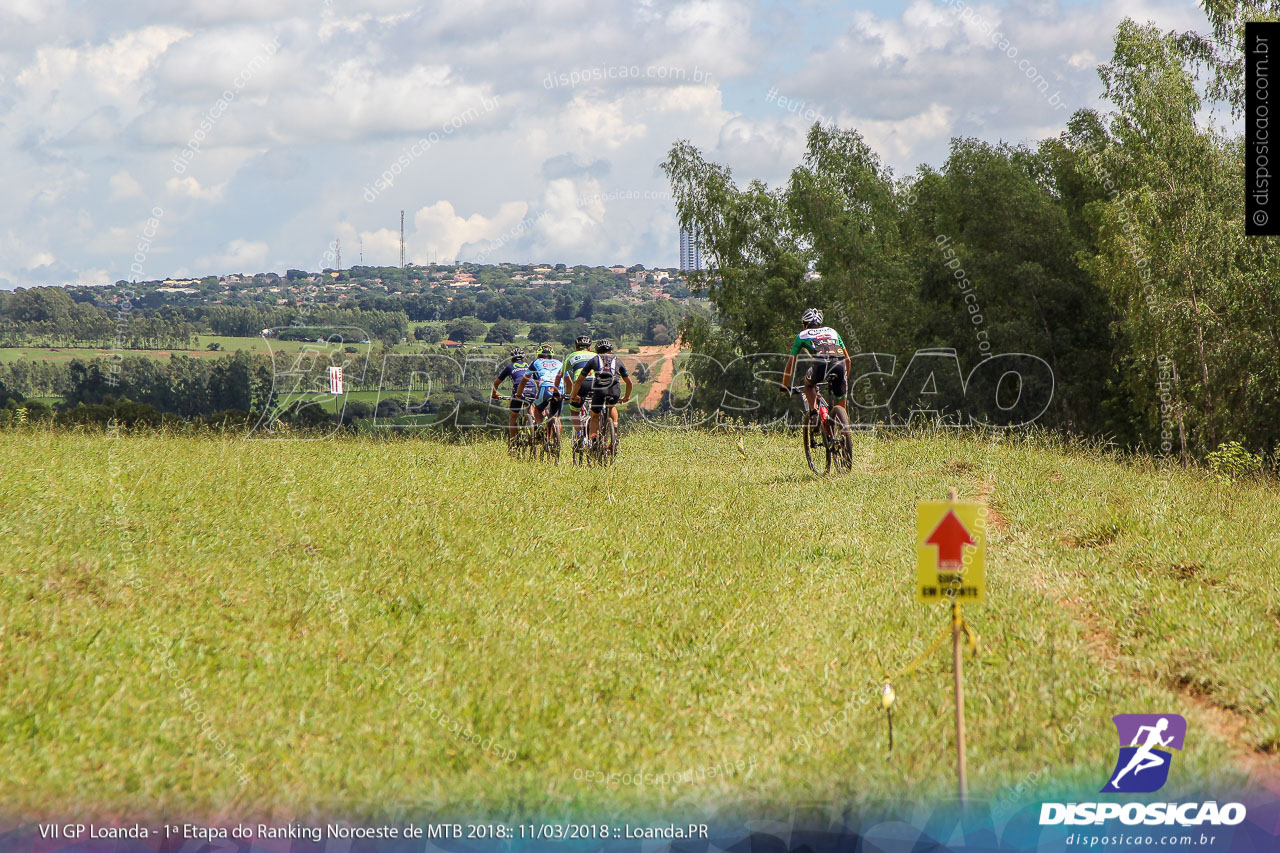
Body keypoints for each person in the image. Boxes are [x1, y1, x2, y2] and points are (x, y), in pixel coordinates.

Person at [779, 308, 852, 434]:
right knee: (841, 408)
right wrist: (845, 378)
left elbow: (791, 363)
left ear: (804, 324)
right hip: (840, 366)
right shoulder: (832, 331)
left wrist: (785, 385)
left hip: (820, 366)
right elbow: (848, 360)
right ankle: (845, 441)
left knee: (809, 384)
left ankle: (814, 413)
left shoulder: (802, 335)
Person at [570, 339, 631, 447]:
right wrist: (626, 396)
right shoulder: (617, 360)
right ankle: (615, 433)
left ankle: (594, 440)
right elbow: (628, 382)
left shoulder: (594, 359)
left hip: (600, 389)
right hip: (614, 389)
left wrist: (574, 395)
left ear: (597, 351)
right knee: (611, 406)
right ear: (611, 351)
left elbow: (579, 380)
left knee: (595, 416)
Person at [516, 343, 565, 442]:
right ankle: (557, 440)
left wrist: (518, 394)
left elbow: (524, 380)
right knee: (556, 415)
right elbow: (568, 381)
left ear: (538, 355)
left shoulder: (536, 362)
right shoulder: (559, 363)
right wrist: (568, 395)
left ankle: (539, 430)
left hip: (545, 388)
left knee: (538, 409)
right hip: (559, 389)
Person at [556, 334, 596, 443]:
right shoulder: (596, 355)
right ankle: (597, 434)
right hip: (596, 383)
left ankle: (580, 435)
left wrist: (556, 391)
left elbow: (560, 375)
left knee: (574, 411)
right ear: (589, 348)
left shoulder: (572, 356)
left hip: (580, 384)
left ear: (577, 347)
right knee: (597, 410)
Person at [490, 346, 535, 439]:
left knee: (513, 415)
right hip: (532, 388)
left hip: (519, 388)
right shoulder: (529, 365)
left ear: (512, 359)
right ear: (523, 358)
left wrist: (494, 394)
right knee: (530, 405)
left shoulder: (509, 367)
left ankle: (513, 441)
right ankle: (533, 421)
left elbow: (497, 382)